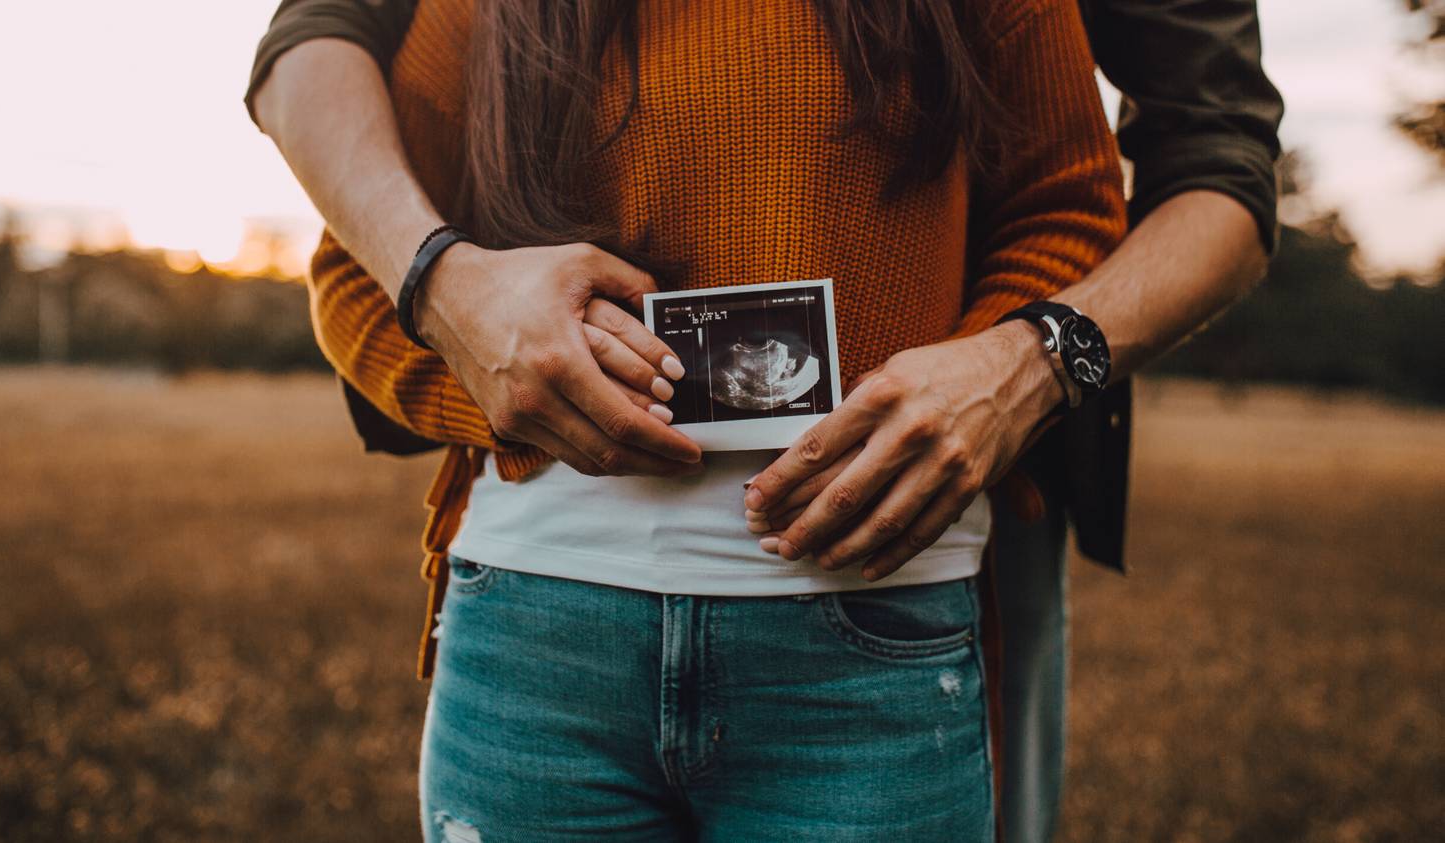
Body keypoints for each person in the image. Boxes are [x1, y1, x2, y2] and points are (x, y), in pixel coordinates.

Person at [245, 0, 1278, 839]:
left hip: (875, 632)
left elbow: (1073, 202)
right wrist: (483, 365)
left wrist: (1005, 369)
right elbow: (359, 257)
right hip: (535, 634)